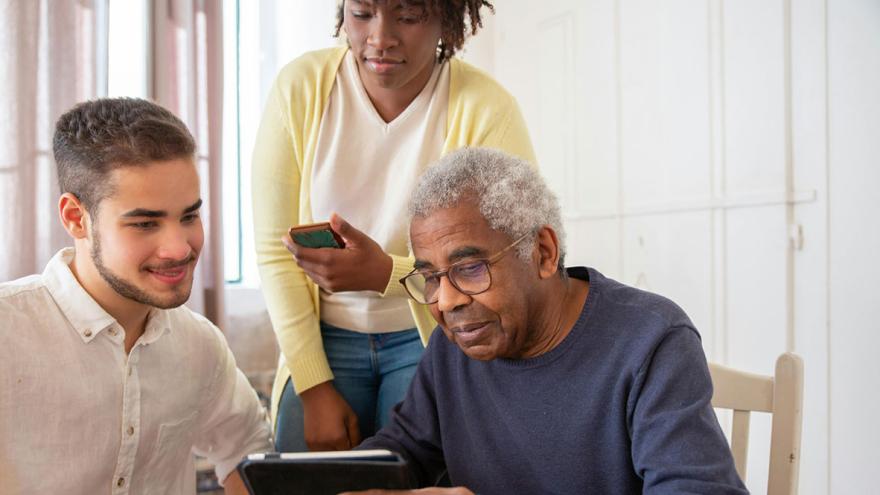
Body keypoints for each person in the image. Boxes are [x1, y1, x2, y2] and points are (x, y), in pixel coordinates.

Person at [343, 147, 748, 494]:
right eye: (431, 277)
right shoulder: (454, 347)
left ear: (543, 252)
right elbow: (402, 452)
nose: (446, 301)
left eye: (469, 267)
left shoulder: (650, 341)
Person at [252, 0, 535, 453]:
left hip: (431, 335)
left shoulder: (486, 108)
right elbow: (274, 249)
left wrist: (385, 273)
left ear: (445, 18)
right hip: (320, 338)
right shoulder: (301, 88)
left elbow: (509, 262)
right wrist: (313, 387)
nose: (380, 38)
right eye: (362, 13)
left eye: (407, 17)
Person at [0, 98, 272, 494]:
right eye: (145, 223)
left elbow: (248, 452)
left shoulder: (200, 345)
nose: (179, 248)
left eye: (189, 216)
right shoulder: (8, 335)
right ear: (76, 218)